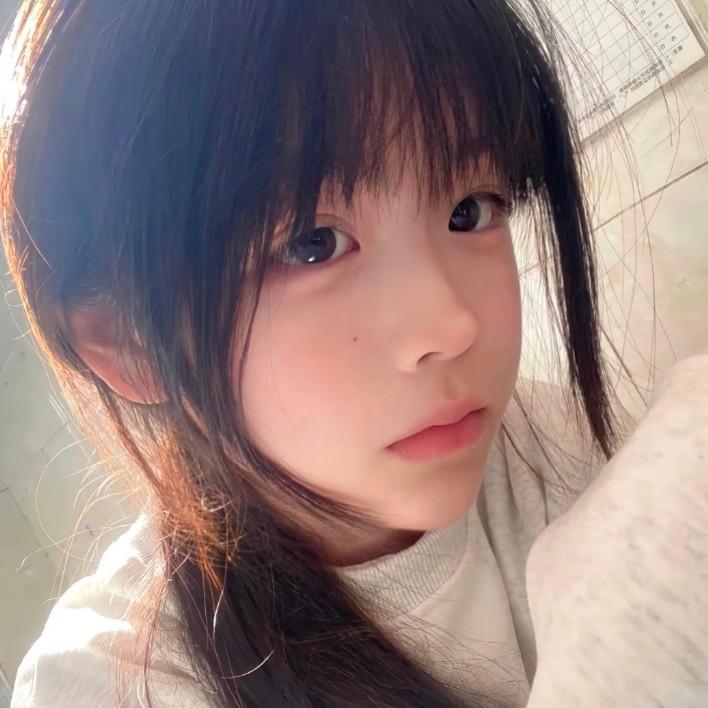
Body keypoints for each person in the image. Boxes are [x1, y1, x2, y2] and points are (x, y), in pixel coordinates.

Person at [2, 1, 706, 707]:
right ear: (130, 344)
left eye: (470, 208)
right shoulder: (110, 683)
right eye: (311, 244)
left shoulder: (542, 440)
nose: (453, 324)